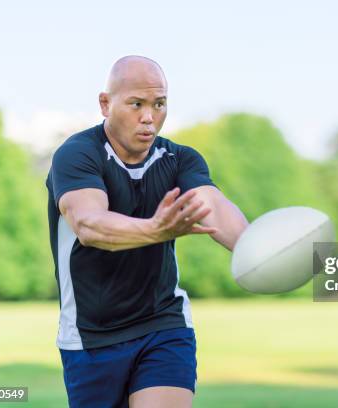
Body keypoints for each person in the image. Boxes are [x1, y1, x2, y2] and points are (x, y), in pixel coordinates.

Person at [45, 55, 248, 408]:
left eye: (159, 104)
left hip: (163, 324)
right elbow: (90, 224)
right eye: (136, 104)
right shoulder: (78, 155)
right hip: (91, 336)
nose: (149, 117)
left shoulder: (179, 159)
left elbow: (212, 205)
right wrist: (155, 230)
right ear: (106, 104)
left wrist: (258, 249)